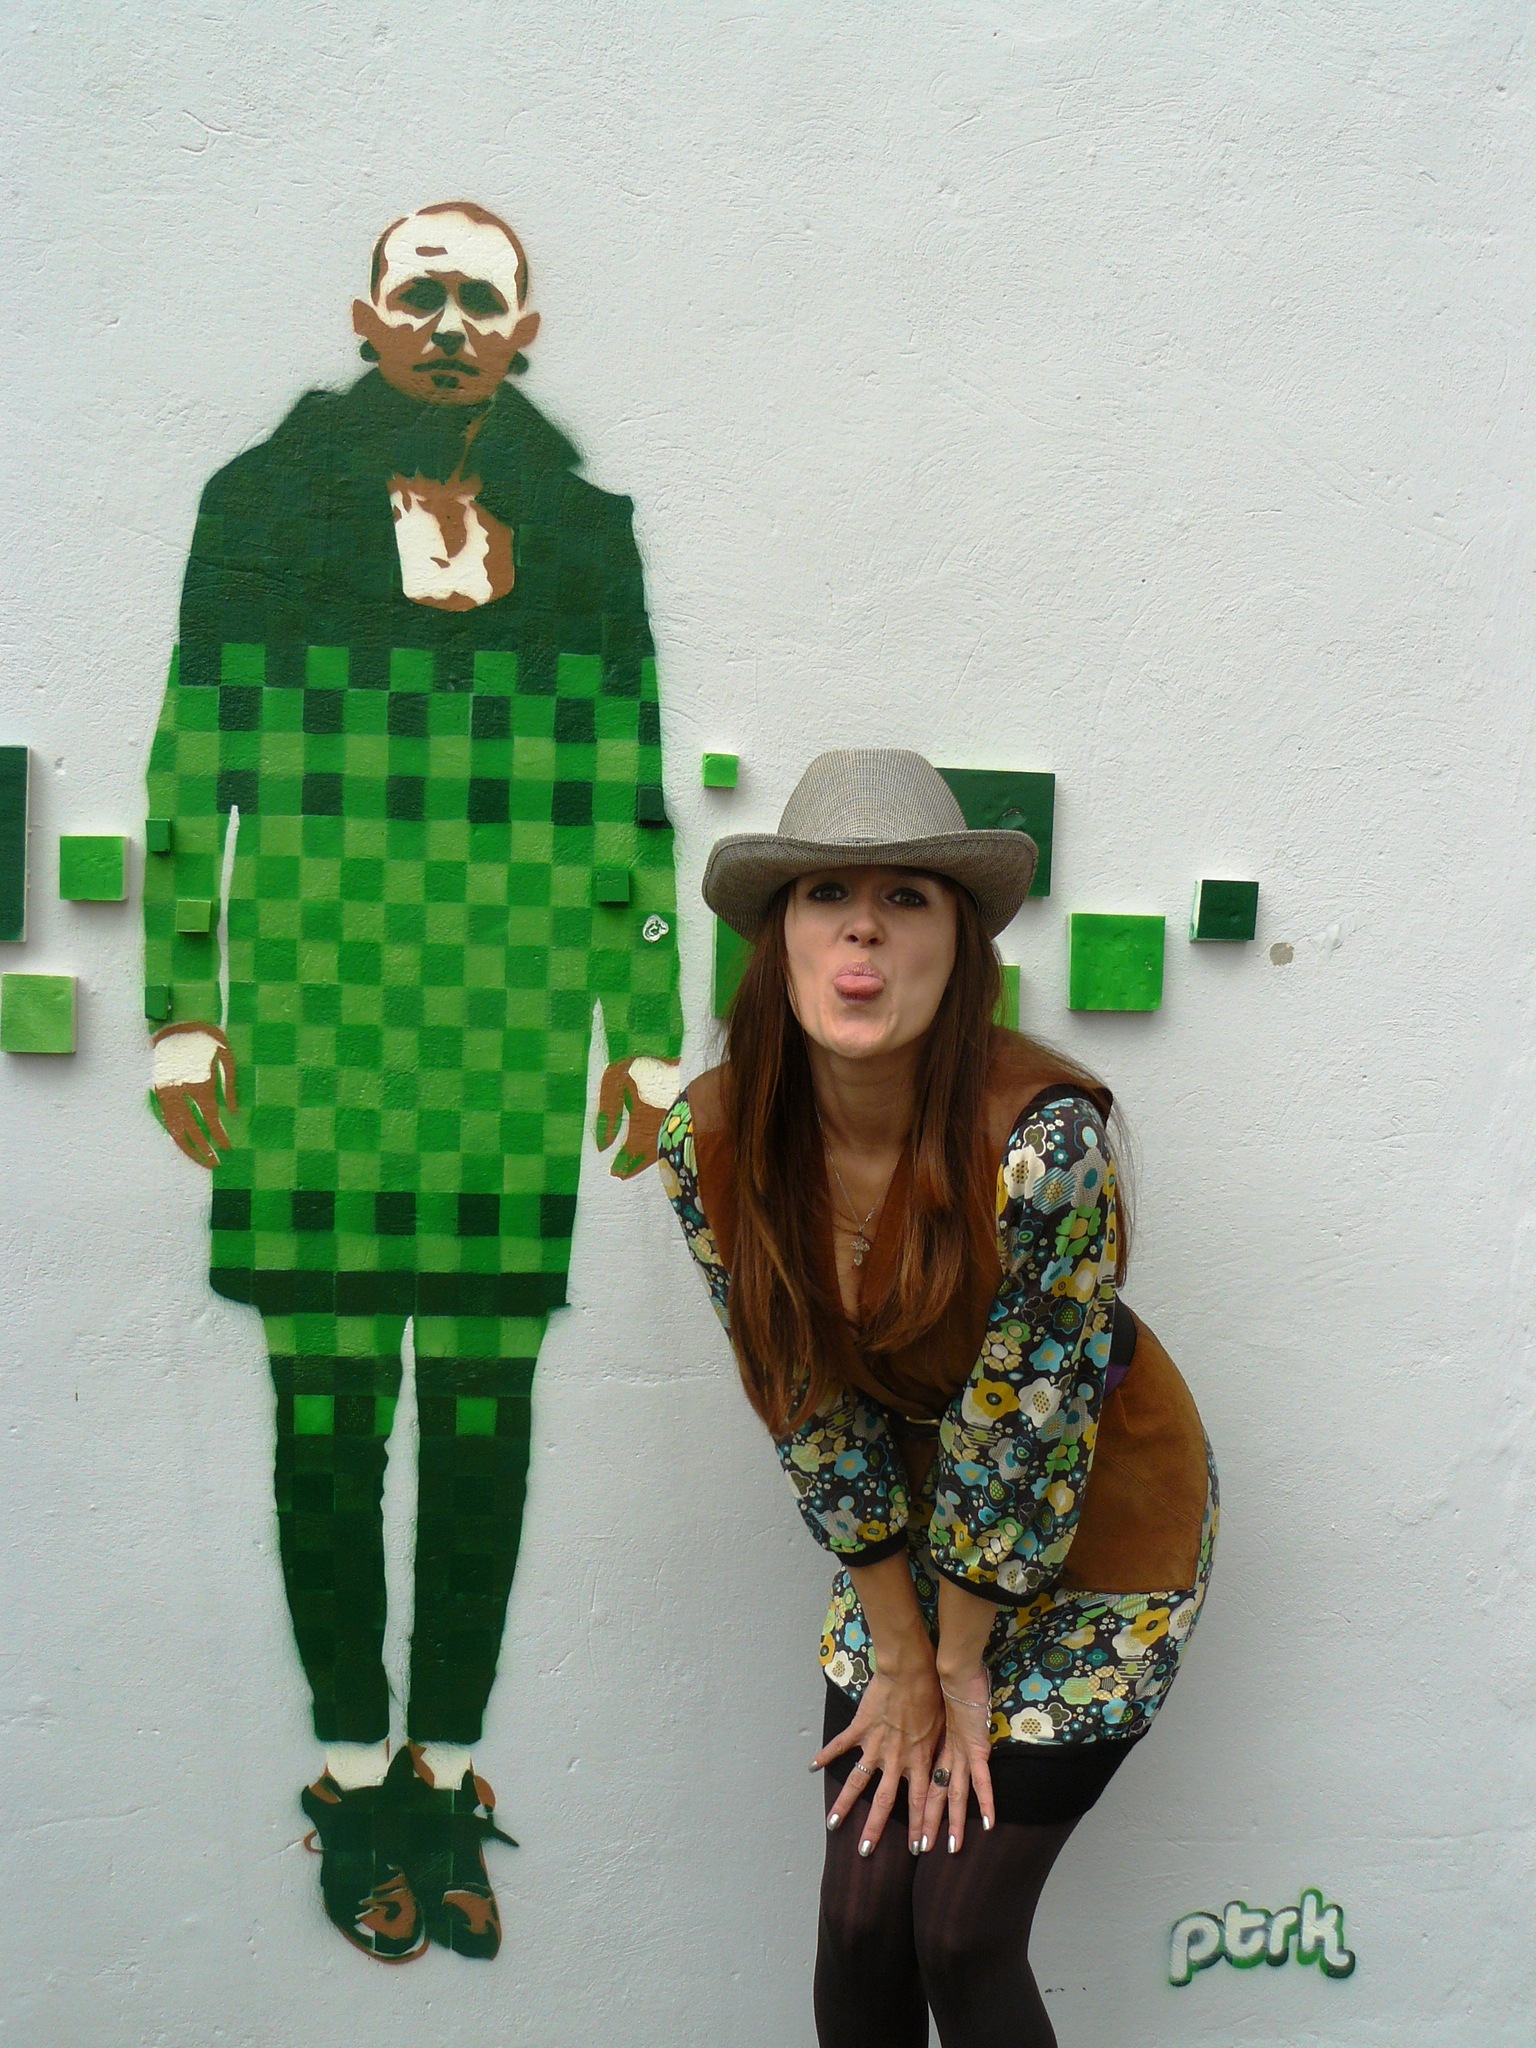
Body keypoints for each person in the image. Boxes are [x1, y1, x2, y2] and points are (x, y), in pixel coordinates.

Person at [143, 201, 683, 1962]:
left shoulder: (585, 534)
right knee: (322, 1420)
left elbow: (627, 795)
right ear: (368, 319)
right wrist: (182, 1007)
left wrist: (646, 1026)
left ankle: (441, 1771)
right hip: (312, 1035)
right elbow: (189, 764)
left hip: (508, 1041)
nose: (450, 322)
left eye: (482, 300)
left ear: (528, 333)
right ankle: (342, 1768)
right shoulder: (262, 508)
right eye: (422, 293)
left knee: (480, 1420)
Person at [656, 749, 1216, 2046]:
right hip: (909, 1525)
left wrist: (954, 1664)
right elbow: (803, 1404)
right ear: (778, 945)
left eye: (906, 898)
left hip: (1101, 1516)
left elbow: (1026, 1433)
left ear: (961, 948)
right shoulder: (712, 1141)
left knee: (958, 1931)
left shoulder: (1045, 1143)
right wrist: (901, 1650)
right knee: (862, 1918)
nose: (863, 928)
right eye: (827, 896)